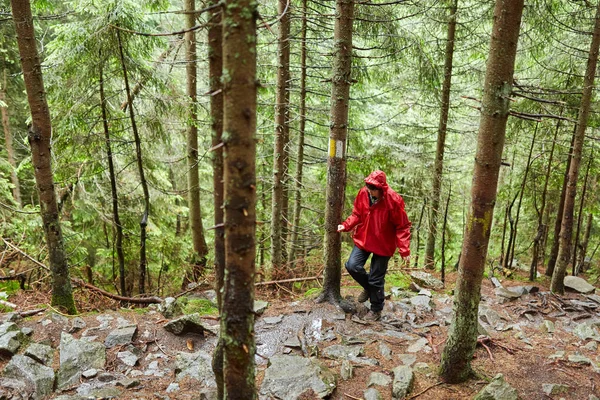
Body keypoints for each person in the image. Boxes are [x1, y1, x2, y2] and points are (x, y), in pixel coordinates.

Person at [337, 170, 411, 321]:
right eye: (368, 186)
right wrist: (346, 226)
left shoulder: (393, 199)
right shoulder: (363, 193)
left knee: (376, 278)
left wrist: (404, 249)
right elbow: (357, 214)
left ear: (382, 188)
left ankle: (376, 309)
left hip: (384, 244)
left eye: (373, 188)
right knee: (352, 266)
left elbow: (402, 226)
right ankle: (371, 289)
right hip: (364, 238)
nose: (369, 190)